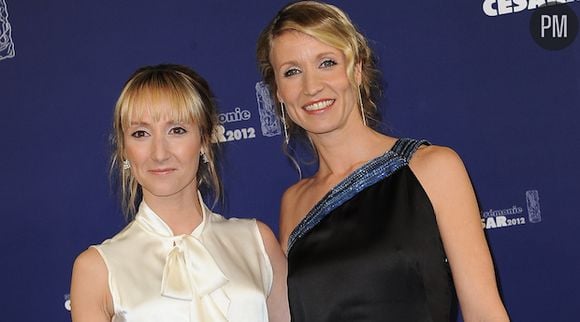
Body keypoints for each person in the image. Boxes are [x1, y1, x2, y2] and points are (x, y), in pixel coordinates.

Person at [256, 2, 509, 321]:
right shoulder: (294, 202)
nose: (311, 87)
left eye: (327, 63)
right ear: (278, 92)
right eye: (292, 71)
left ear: (357, 70)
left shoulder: (431, 168)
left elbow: (484, 311)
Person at [70, 64, 290, 322]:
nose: (160, 153)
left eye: (177, 130)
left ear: (204, 142)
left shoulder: (258, 242)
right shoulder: (96, 269)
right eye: (141, 134)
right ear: (124, 151)